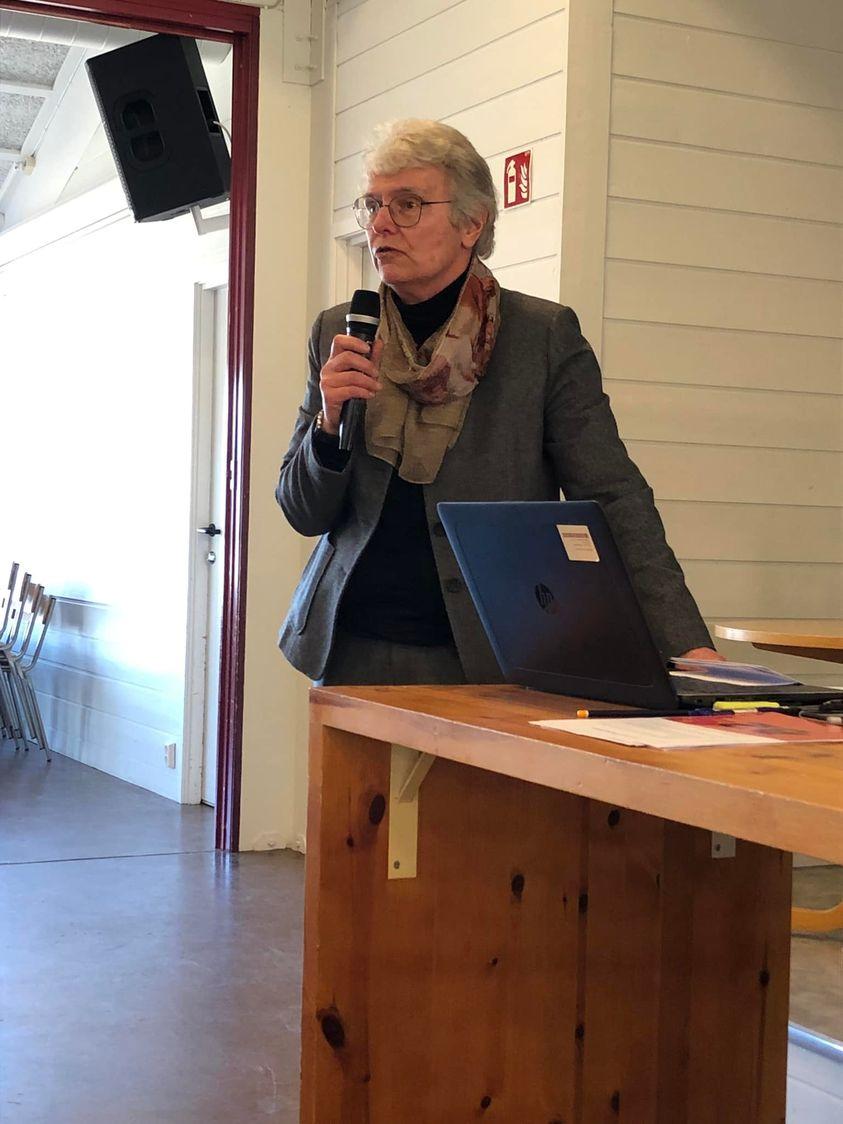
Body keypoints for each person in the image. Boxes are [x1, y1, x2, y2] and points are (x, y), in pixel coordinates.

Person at [276, 119, 719, 686]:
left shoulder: (540, 337)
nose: (381, 224)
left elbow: (613, 495)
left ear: (472, 223)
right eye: (373, 205)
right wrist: (327, 426)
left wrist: (685, 645)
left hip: (488, 653)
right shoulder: (340, 330)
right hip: (350, 648)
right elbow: (302, 512)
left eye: (407, 205)